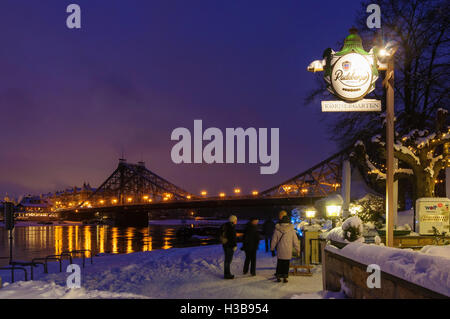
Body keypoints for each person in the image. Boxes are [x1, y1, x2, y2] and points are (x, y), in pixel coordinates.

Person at [271, 215, 300, 283]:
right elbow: (295, 241)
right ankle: (285, 277)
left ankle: (278, 276)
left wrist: (272, 248)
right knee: (286, 264)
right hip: (288, 249)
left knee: (280, 263)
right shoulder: (292, 230)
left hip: (280, 249)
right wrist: (298, 249)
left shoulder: (277, 229)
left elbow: (274, 240)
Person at [220, 215, 238, 279]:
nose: (237, 221)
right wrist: (234, 245)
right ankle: (227, 274)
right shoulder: (231, 227)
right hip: (229, 246)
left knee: (227, 260)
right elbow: (232, 238)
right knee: (228, 260)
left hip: (225, 245)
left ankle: (227, 273)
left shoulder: (225, 225)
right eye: (236, 220)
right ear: (233, 220)